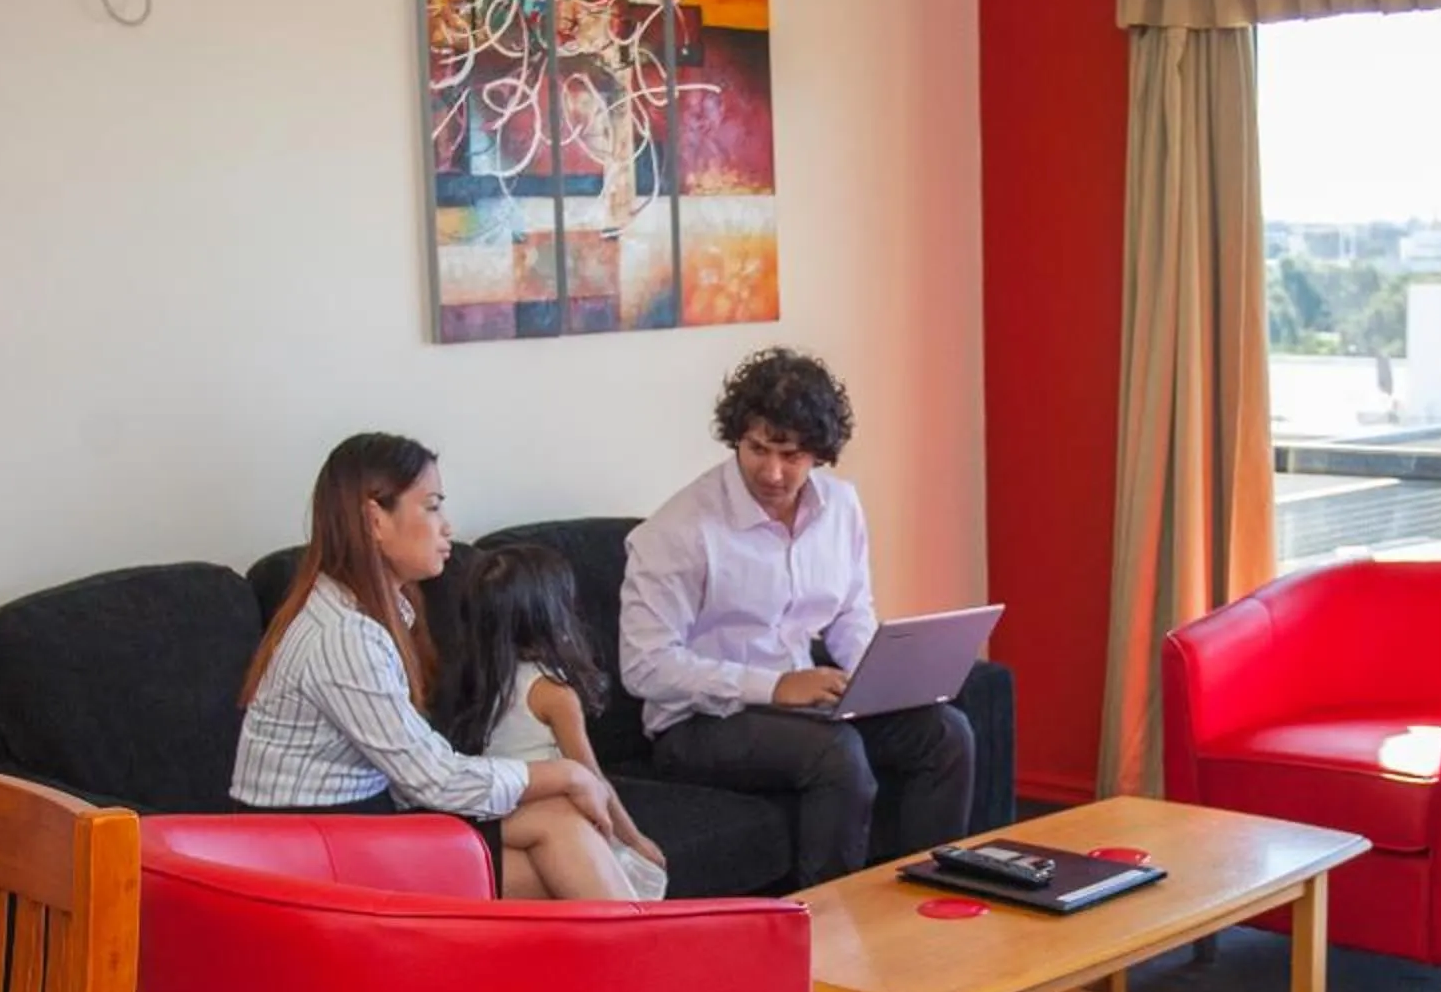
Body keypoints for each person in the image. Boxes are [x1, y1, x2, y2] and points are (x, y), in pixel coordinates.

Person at [618, 348, 973, 889]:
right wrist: (777, 686)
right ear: (736, 436)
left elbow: (851, 611)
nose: (773, 471)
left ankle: (926, 909)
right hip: (699, 724)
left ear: (819, 454)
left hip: (806, 708)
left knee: (946, 733)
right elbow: (644, 667)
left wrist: (878, 679)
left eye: (791, 454)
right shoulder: (681, 530)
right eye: (757, 449)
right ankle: (826, 938)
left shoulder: (841, 507)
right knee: (838, 757)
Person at [233, 432, 633, 901]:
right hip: (307, 856)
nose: (447, 527)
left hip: (352, 829)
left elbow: (419, 776)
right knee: (559, 850)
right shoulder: (344, 636)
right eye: (432, 506)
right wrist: (567, 774)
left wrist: (556, 785)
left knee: (561, 824)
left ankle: (639, 960)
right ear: (374, 519)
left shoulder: (363, 613)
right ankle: (647, 963)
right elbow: (432, 779)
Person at [434, 542, 671, 901]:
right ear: (552, 615)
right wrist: (634, 838)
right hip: (547, 813)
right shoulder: (554, 694)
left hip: (500, 814)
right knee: (638, 877)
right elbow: (591, 775)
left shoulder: (478, 683)